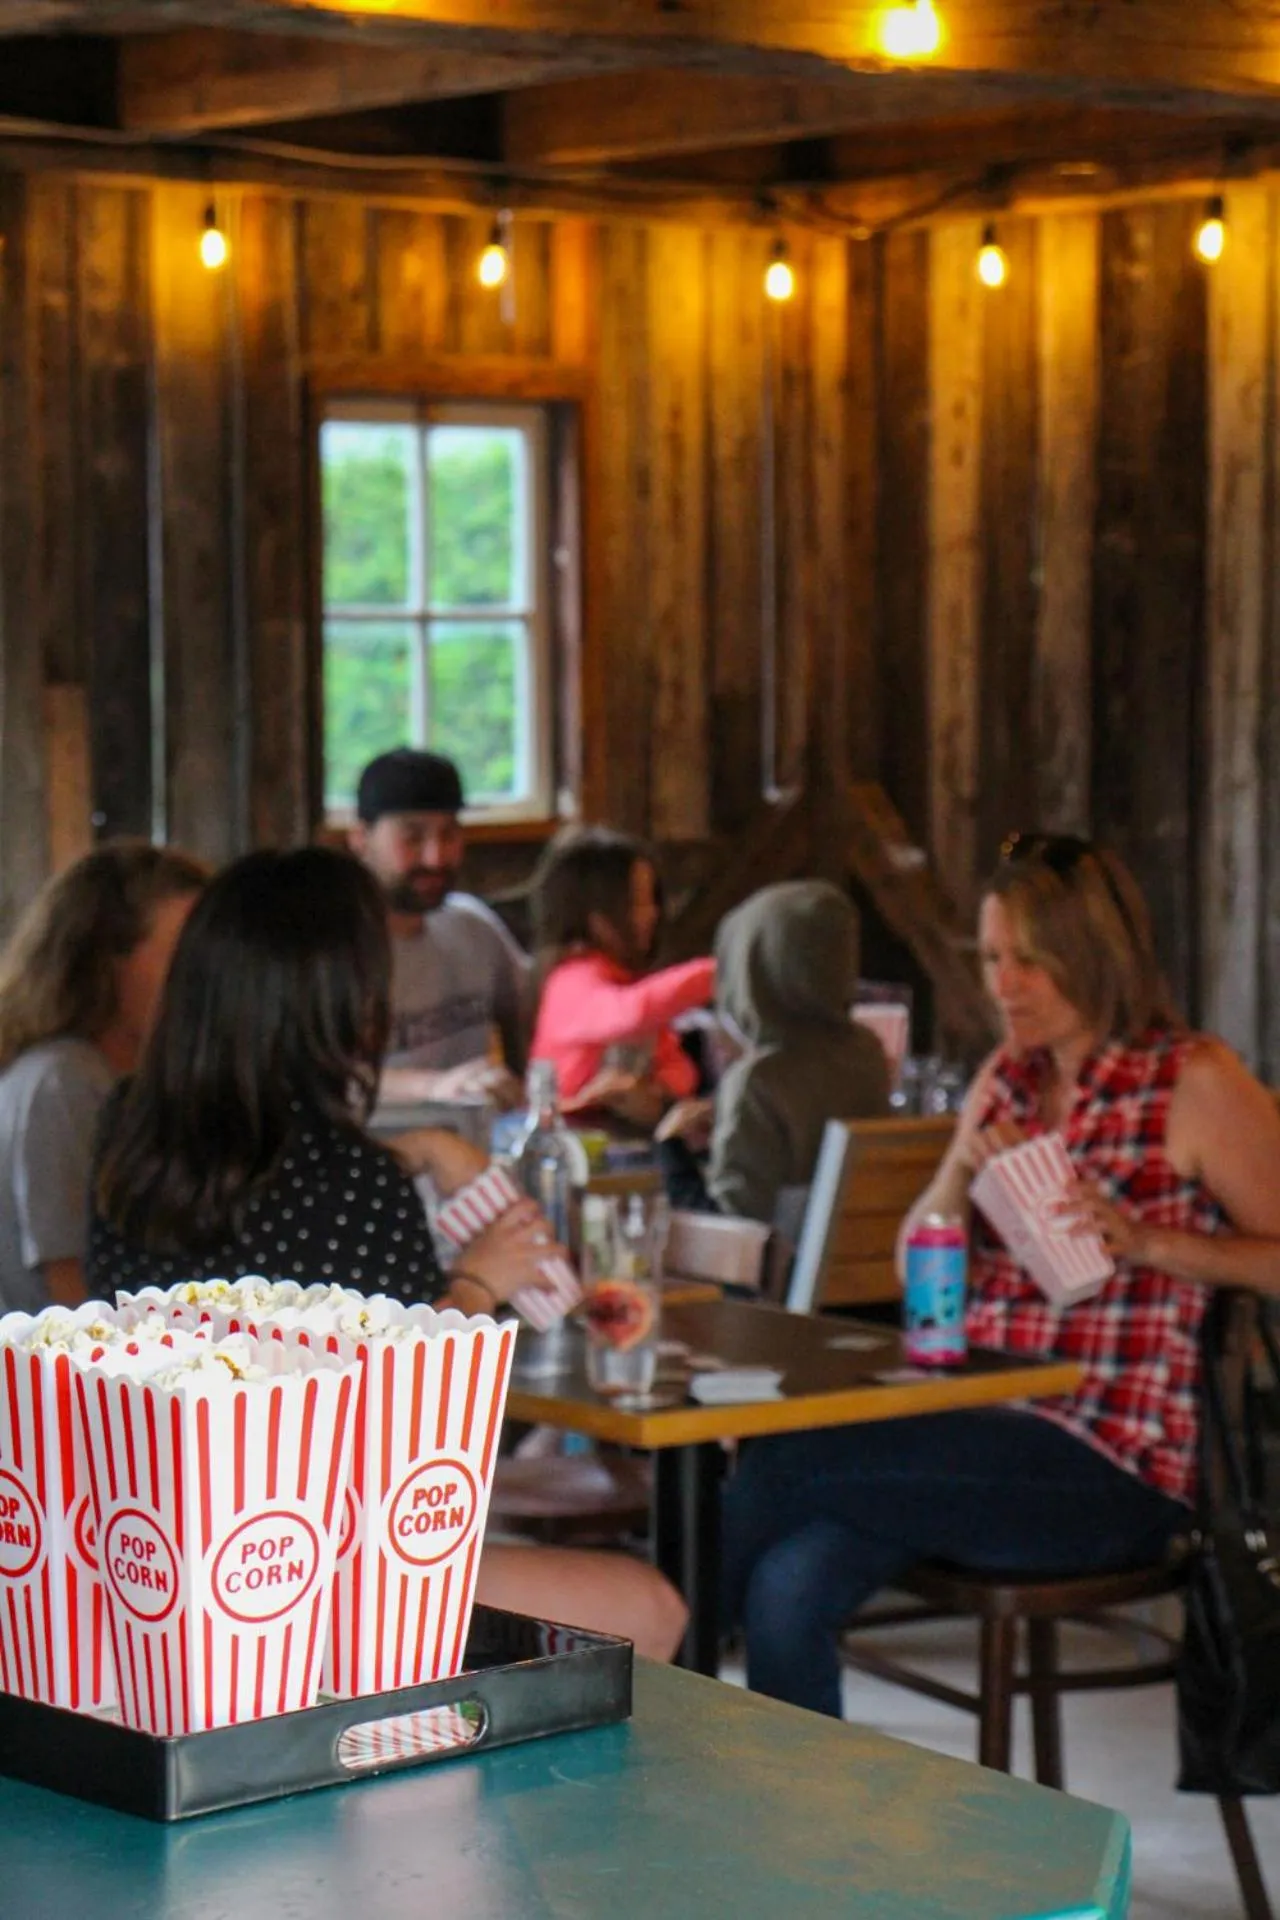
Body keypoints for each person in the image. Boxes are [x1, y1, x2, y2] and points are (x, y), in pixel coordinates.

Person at [721, 833, 1280, 1717]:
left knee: (787, 1453)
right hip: (979, 1428)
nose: (1001, 984)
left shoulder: (1189, 1079)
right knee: (787, 1590)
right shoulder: (1007, 1079)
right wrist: (957, 1176)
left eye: (1028, 960)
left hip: (1115, 1467)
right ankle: (801, 1845)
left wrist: (1144, 1241)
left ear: (1093, 956)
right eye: (989, 958)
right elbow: (921, 1274)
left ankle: (649, 1674)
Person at [90, 846, 686, 1660]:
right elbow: (409, 1428)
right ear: (339, 1000)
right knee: (650, 1606)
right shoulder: (354, 1186)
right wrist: (479, 1283)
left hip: (145, 1547)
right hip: (305, 1565)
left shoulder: (131, 1138)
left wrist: (413, 1152)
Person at [0, 842, 206, 1315]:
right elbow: (70, 1281)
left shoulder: (101, 1073)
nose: (199, 979)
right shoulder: (64, 1082)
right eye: (181, 954)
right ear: (107, 961)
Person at [656, 880, 891, 1223]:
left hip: (773, 1273)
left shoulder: (757, 1081)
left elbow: (731, 1236)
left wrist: (670, 1148)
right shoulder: (868, 1055)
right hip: (852, 1270)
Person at [349, 748, 529, 1110]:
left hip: (479, 1150)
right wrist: (434, 1086)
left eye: (449, 835)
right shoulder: (331, 951)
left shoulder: (474, 928)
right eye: (412, 838)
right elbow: (316, 1079)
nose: (435, 857)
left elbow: (534, 1021)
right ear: (361, 839)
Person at [529, 825, 714, 1130]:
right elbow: (631, 1013)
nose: (652, 914)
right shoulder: (569, 980)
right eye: (637, 903)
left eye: (651, 900)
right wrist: (714, 973)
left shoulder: (626, 981)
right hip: (568, 1143)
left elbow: (679, 1068)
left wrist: (657, 1092)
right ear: (597, 919)